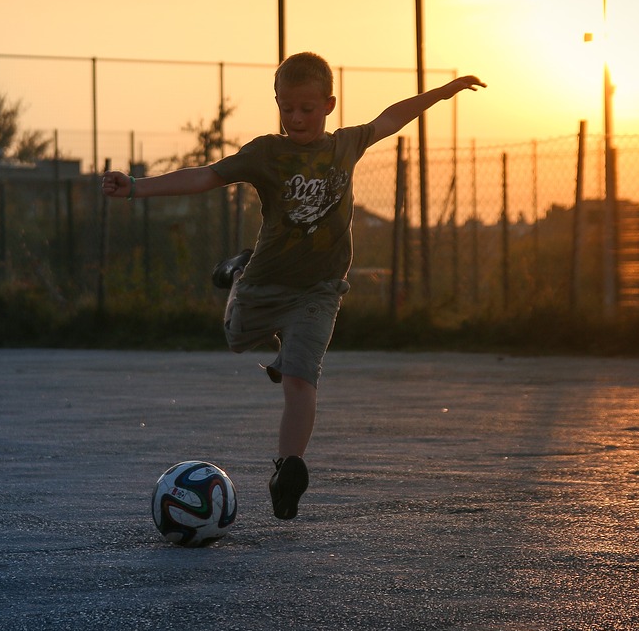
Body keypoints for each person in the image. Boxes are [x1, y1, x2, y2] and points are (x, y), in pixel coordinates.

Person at [102, 52, 485, 520]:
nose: (296, 118)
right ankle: (238, 269)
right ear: (278, 105)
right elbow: (206, 176)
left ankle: (289, 467)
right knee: (238, 340)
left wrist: (444, 92)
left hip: (321, 289)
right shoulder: (267, 153)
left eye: (307, 108)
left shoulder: (347, 145)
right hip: (264, 283)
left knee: (301, 379)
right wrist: (137, 186)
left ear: (329, 104)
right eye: (287, 108)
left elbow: (393, 115)